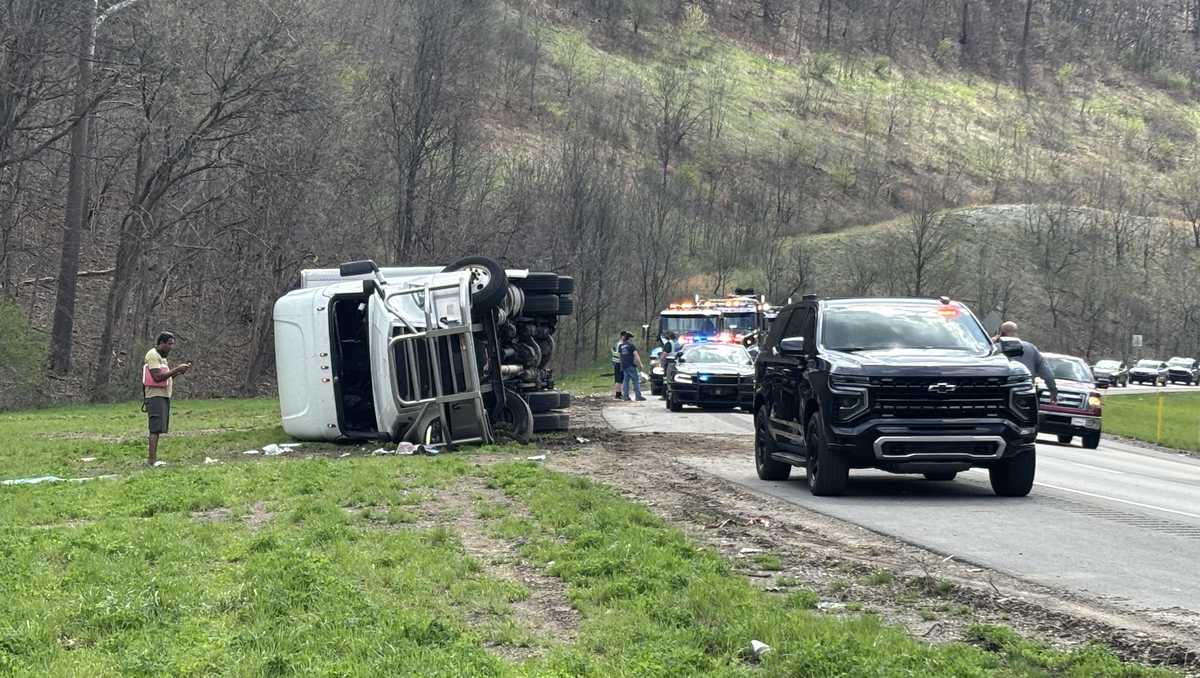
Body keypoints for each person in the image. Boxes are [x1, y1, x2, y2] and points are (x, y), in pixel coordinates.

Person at [143, 332, 192, 466]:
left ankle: (153, 460)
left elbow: (165, 378)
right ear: (161, 343)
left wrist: (177, 372)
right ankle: (151, 461)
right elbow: (157, 377)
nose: (171, 347)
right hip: (155, 396)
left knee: (158, 429)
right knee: (154, 429)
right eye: (169, 344)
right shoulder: (153, 355)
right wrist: (176, 368)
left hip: (163, 395)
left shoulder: (162, 358)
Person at [997, 321, 1057, 401]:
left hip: (1000, 392)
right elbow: (1048, 375)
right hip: (1026, 392)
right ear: (1016, 333)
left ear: (1001, 332)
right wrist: (1053, 391)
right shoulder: (1031, 348)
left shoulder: (995, 348)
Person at [618, 330, 646, 401]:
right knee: (636, 380)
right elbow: (636, 356)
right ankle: (638, 396)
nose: (632, 339)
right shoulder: (631, 346)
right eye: (631, 338)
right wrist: (640, 364)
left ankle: (625, 396)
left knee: (626, 381)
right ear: (629, 338)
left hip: (624, 366)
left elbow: (620, 357)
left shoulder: (621, 346)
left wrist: (621, 366)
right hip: (631, 365)